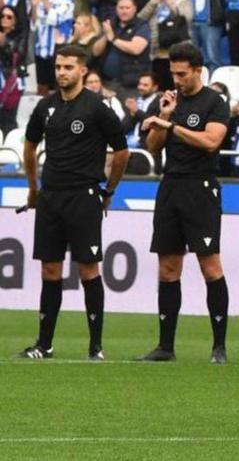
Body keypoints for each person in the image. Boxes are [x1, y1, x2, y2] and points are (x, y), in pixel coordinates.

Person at [18, 45, 130, 361]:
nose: (62, 72)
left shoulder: (97, 107)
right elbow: (29, 146)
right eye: (58, 67)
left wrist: (108, 191)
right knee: (50, 270)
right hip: (51, 196)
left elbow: (122, 152)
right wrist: (33, 188)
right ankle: (44, 344)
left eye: (68, 67)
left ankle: (96, 346)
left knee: (88, 270)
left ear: (82, 70)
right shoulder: (46, 106)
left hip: (84, 195)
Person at [139, 42, 231, 363]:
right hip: (170, 186)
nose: (177, 80)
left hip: (201, 188)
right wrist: (163, 115)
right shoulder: (166, 102)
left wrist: (170, 125)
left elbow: (211, 141)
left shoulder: (215, 102)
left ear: (197, 71)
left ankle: (218, 346)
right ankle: (166, 346)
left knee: (209, 265)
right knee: (167, 268)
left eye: (182, 74)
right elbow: (152, 147)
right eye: (173, 73)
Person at [138, 0, 193, 90]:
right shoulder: (157, 4)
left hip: (177, 51)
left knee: (177, 85)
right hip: (157, 51)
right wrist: (153, 2)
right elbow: (141, 18)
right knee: (161, 86)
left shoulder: (184, 1)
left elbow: (185, 17)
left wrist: (169, 2)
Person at [93, 0, 151, 97]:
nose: (124, 11)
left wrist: (113, 39)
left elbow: (136, 49)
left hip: (131, 84)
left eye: (127, 8)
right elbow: (95, 51)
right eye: (121, 8)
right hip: (107, 82)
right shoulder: (111, 24)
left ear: (134, 9)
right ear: (116, 9)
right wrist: (106, 36)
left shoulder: (142, 26)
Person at [31, 0, 75, 96]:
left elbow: (55, 19)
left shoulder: (67, 0)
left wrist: (44, 1)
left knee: (59, 86)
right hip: (41, 49)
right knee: (42, 86)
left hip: (58, 49)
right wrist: (34, 5)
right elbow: (36, 23)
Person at [186, 0, 226, 72]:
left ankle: (213, 86)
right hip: (191, 20)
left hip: (210, 20)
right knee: (191, 59)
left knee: (213, 58)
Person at [0, 6, 27, 134]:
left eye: (9, 17)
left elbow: (19, 55)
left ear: (15, 21)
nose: (5, 19)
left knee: (8, 119)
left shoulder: (20, 37)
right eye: (2, 16)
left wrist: (4, 44)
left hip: (11, 83)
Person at [121, 72, 159, 151]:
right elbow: (123, 128)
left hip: (147, 145)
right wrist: (131, 114)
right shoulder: (135, 101)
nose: (141, 87)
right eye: (140, 84)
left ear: (155, 87)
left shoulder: (159, 103)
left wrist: (137, 111)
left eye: (145, 85)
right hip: (128, 143)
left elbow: (154, 125)